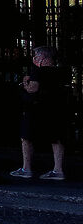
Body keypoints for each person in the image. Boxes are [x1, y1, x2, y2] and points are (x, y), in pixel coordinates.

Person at [16, 46, 69, 182]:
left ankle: (26, 169)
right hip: (57, 107)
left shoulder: (37, 71)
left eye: (36, 56)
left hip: (37, 108)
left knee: (26, 136)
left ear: (43, 58)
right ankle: (58, 170)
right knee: (56, 137)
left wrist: (24, 84)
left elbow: (33, 89)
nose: (34, 59)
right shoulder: (61, 71)